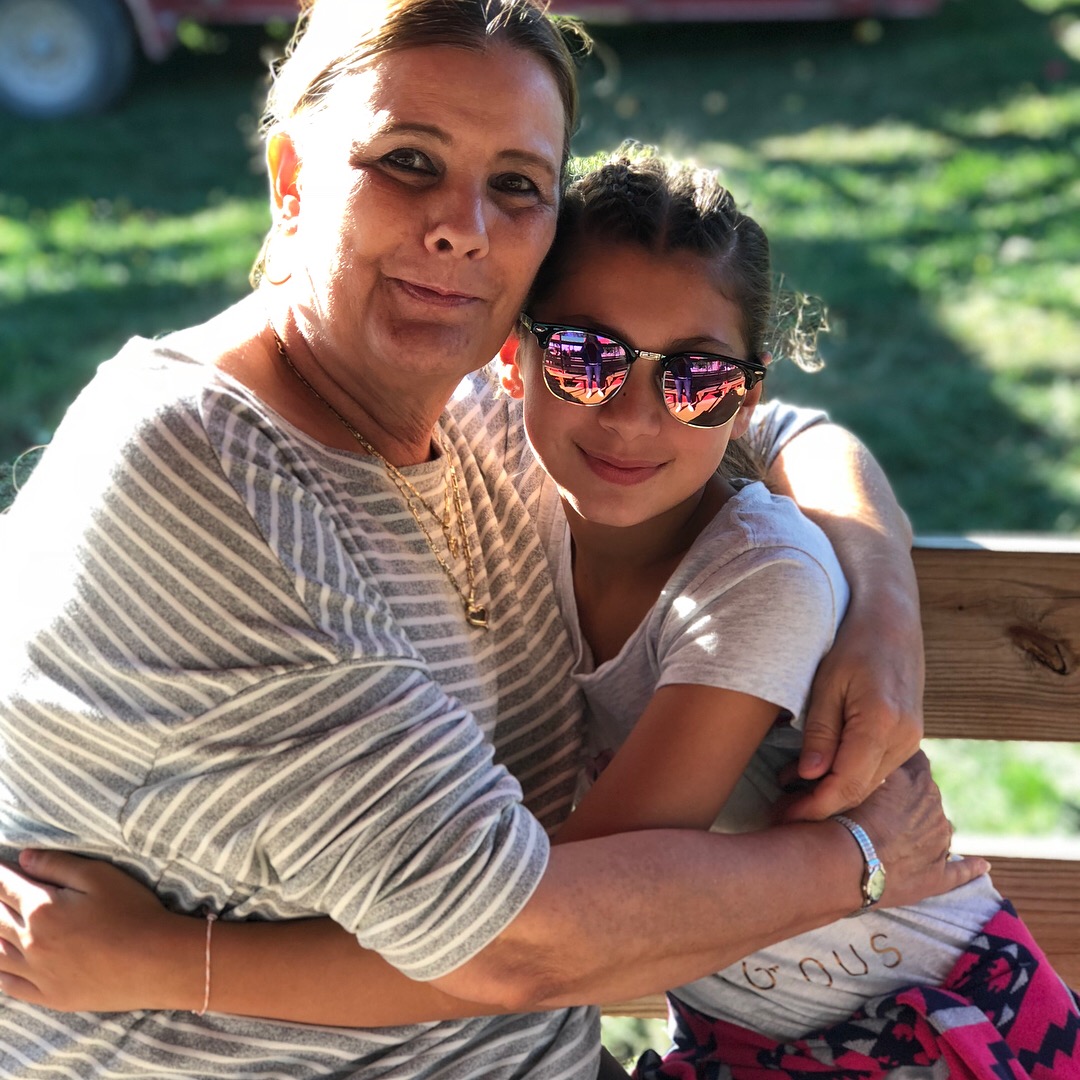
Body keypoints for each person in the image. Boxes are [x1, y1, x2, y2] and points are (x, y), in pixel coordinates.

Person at [0, 2, 980, 1078]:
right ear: (291, 179)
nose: (463, 226)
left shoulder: (462, 406)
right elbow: (517, 944)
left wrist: (882, 613)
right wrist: (861, 858)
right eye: (408, 161)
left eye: (516, 184)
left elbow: (771, 426)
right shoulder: (211, 474)